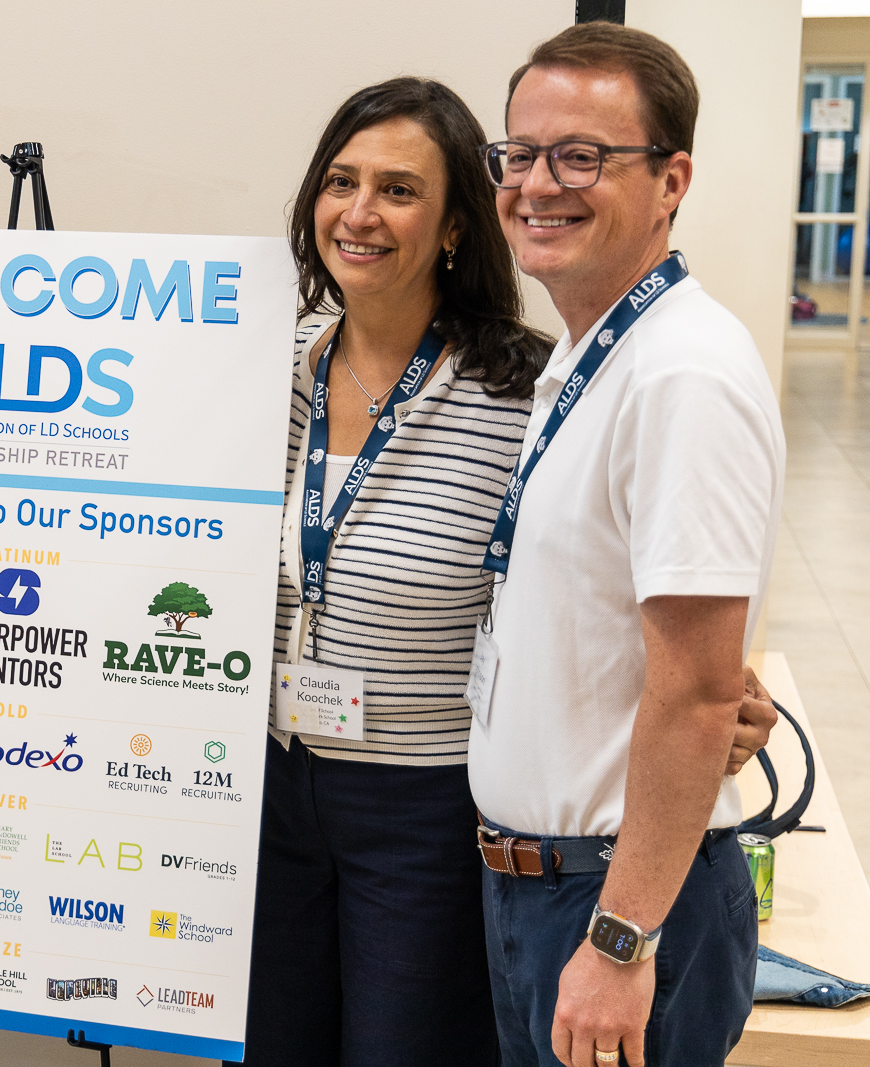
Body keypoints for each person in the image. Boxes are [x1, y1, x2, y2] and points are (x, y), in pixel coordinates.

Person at [469, 23, 785, 1067]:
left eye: (582, 156)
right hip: (552, 885)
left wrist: (619, 938)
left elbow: (696, 693)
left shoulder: (679, 372)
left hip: (610, 898)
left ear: (670, 179)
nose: (536, 185)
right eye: (519, 153)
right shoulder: (590, 352)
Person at [243, 76, 552, 1066]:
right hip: (260, 786)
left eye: (398, 189)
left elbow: (589, 579)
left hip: (423, 806)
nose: (359, 213)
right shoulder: (258, 371)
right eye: (340, 181)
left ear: (458, 221)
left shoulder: (521, 393)